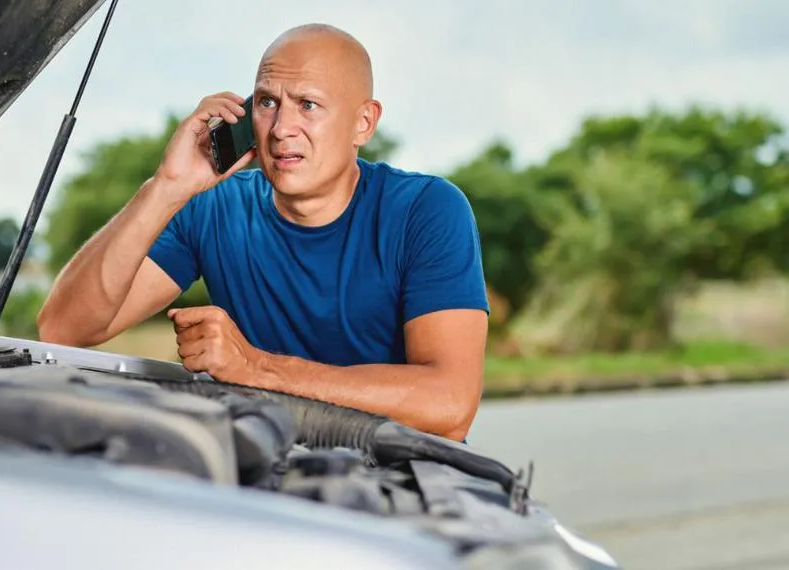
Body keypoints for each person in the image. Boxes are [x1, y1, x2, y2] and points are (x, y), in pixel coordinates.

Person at [37, 24, 489, 441]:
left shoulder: (426, 210)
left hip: (398, 482)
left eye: (307, 105)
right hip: (268, 474)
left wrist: (257, 368)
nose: (281, 130)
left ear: (363, 123)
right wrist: (166, 188)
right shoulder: (212, 206)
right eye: (268, 103)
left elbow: (449, 404)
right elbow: (63, 328)